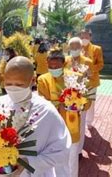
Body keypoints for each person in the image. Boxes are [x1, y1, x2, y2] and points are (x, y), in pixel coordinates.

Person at [0, 56, 71, 177]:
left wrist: (29, 163)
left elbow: (62, 152)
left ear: (33, 80)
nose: (13, 88)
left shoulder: (46, 111)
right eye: (8, 84)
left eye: (19, 84)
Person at [37, 49, 82, 177]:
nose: (54, 68)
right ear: (47, 64)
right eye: (51, 66)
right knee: (56, 159)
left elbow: (83, 102)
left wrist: (77, 102)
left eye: (57, 66)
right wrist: (62, 101)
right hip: (53, 125)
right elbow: (43, 103)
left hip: (71, 122)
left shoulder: (75, 77)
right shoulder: (43, 79)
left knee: (72, 159)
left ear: (63, 64)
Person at [65, 37, 94, 158]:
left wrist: (88, 99)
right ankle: (67, 147)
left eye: (76, 47)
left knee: (80, 125)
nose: (74, 50)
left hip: (81, 98)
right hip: (67, 99)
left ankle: (78, 151)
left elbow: (91, 79)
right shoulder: (65, 60)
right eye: (72, 47)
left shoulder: (87, 61)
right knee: (67, 124)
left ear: (81, 48)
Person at [80, 29, 104, 128]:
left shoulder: (96, 49)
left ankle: (89, 122)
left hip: (92, 80)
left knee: (91, 102)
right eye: (82, 37)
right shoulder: (77, 48)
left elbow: (101, 64)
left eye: (86, 37)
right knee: (79, 101)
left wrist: (91, 69)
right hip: (79, 81)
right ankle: (80, 120)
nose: (84, 39)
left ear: (90, 37)